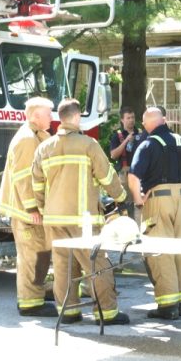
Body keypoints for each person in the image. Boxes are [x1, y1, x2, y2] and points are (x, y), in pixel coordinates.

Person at [31, 98, 130, 325]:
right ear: (76, 118)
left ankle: (68, 312)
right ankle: (106, 313)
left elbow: (36, 184)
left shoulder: (44, 148)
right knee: (96, 265)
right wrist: (121, 198)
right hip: (83, 220)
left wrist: (44, 208)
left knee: (63, 267)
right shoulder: (89, 144)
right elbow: (107, 177)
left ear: (60, 119)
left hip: (55, 219)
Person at [128, 106, 181, 320]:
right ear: (163, 121)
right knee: (180, 248)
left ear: (148, 123)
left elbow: (134, 176)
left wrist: (138, 200)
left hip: (159, 199)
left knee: (159, 249)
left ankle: (167, 305)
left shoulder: (147, 144)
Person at [0, 97, 57, 317]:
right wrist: (33, 209)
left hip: (28, 211)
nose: (52, 117)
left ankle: (34, 297)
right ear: (34, 116)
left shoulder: (34, 136)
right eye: (48, 113)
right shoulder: (26, 140)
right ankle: (30, 303)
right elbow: (24, 178)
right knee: (32, 256)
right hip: (26, 212)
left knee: (38, 254)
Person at [108, 106, 142, 221]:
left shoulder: (141, 134)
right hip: (124, 174)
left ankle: (138, 226)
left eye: (132, 117)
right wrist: (126, 140)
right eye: (128, 118)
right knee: (125, 204)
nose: (131, 120)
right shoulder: (117, 136)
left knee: (139, 203)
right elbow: (113, 155)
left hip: (138, 173)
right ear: (122, 120)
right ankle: (127, 224)